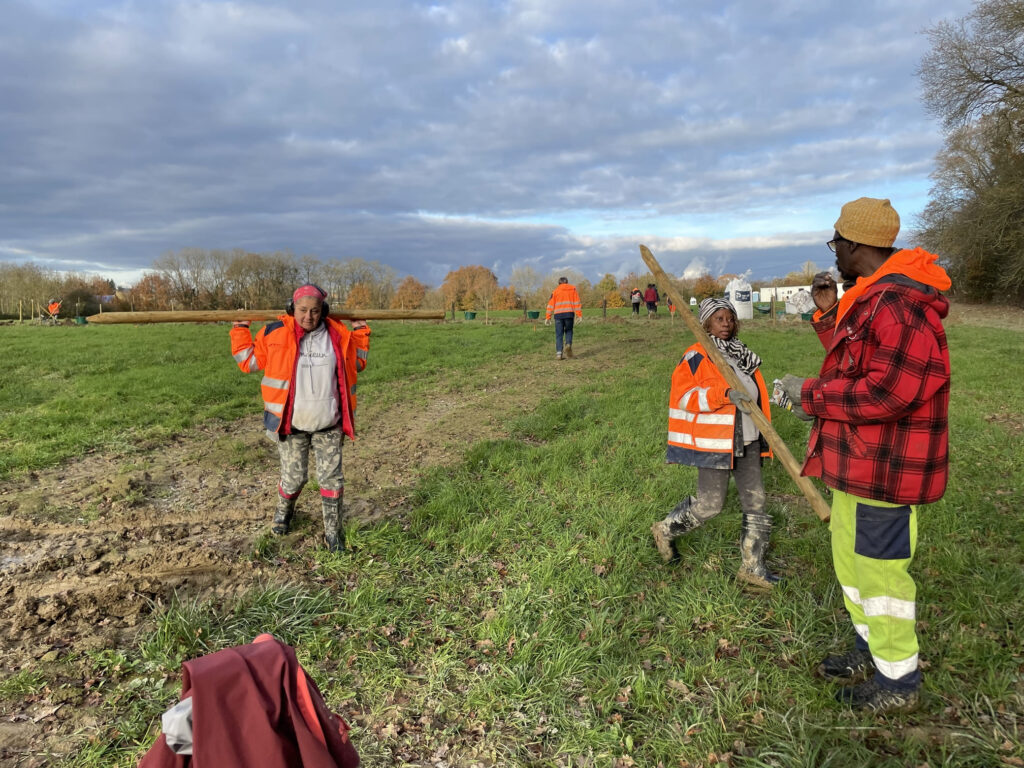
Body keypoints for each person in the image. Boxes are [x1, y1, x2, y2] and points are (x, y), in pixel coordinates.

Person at [778, 197, 951, 712]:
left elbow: (889, 391)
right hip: (856, 462)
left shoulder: (901, 305)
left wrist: (810, 396)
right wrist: (831, 313)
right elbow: (859, 358)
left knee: (880, 574)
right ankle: (870, 650)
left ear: (857, 244)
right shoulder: (874, 297)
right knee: (852, 563)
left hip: (884, 468)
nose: (833, 252)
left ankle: (898, 682)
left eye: (836, 243)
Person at [651, 297, 779, 589]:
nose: (726, 324)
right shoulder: (696, 356)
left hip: (749, 439)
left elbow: (753, 394)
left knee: (756, 502)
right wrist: (723, 394)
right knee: (710, 505)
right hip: (716, 443)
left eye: (730, 318)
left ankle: (753, 568)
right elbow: (684, 396)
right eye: (719, 319)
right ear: (706, 323)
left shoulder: (741, 355)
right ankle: (665, 530)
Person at [230, 284, 370, 552]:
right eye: (303, 310)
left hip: (329, 422)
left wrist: (361, 332)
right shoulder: (274, 333)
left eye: (315, 311)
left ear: (324, 311)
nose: (308, 317)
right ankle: (283, 513)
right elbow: (247, 361)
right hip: (291, 424)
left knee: (332, 479)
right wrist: (239, 329)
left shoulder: (338, 335)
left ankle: (333, 533)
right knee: (294, 478)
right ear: (292, 309)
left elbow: (357, 364)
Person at [544, 276, 582, 360]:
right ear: (567, 282)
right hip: (569, 314)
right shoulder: (573, 289)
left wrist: (548, 317)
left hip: (558, 316)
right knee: (569, 331)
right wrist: (579, 315)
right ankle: (568, 344)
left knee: (559, 334)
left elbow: (550, 305)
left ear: (559, 283)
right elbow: (577, 303)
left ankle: (559, 354)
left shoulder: (555, 291)